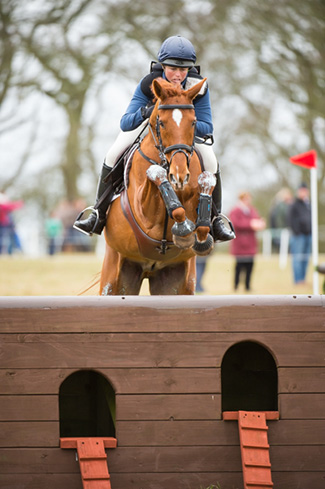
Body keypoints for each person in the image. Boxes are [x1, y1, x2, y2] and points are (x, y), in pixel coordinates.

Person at [74, 35, 235, 243]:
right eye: (172, 69)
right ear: (162, 66)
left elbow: (207, 126)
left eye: (183, 69)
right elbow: (126, 123)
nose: (178, 75)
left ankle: (215, 219)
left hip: (184, 134)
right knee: (113, 153)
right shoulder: (150, 83)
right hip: (152, 128)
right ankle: (98, 213)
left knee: (211, 160)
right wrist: (148, 112)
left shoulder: (198, 86)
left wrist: (181, 126)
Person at [229, 191, 266, 291]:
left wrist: (260, 223)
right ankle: (236, 285)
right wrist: (251, 224)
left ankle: (247, 285)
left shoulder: (252, 210)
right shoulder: (235, 211)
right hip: (240, 243)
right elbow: (236, 224)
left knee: (250, 265)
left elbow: (256, 219)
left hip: (250, 242)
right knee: (239, 265)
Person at [288, 183, 312, 284]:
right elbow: (290, 219)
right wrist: (297, 231)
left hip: (308, 234)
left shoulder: (308, 204)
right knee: (297, 258)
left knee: (306, 258)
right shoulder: (294, 204)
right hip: (298, 236)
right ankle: (298, 280)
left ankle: (303, 278)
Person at [269, 187, 292, 252]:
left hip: (284, 231)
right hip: (282, 232)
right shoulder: (281, 206)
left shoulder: (280, 206)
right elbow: (279, 220)